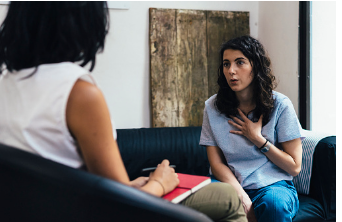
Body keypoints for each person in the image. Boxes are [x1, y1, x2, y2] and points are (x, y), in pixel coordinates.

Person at [0, 2, 247, 222]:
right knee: (226, 197)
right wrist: (160, 183)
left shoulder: (6, 82)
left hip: (43, 209)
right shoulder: (78, 93)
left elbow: (68, 176)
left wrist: (130, 185)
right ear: (83, 21)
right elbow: (118, 205)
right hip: (85, 212)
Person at [199, 35, 304, 222]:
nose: (231, 71)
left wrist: (258, 139)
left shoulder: (281, 105)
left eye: (240, 62)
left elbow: (295, 167)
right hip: (229, 184)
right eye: (226, 64)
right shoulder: (212, 107)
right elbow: (216, 164)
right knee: (202, 205)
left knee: (274, 205)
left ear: (255, 66)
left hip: (273, 185)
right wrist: (240, 195)